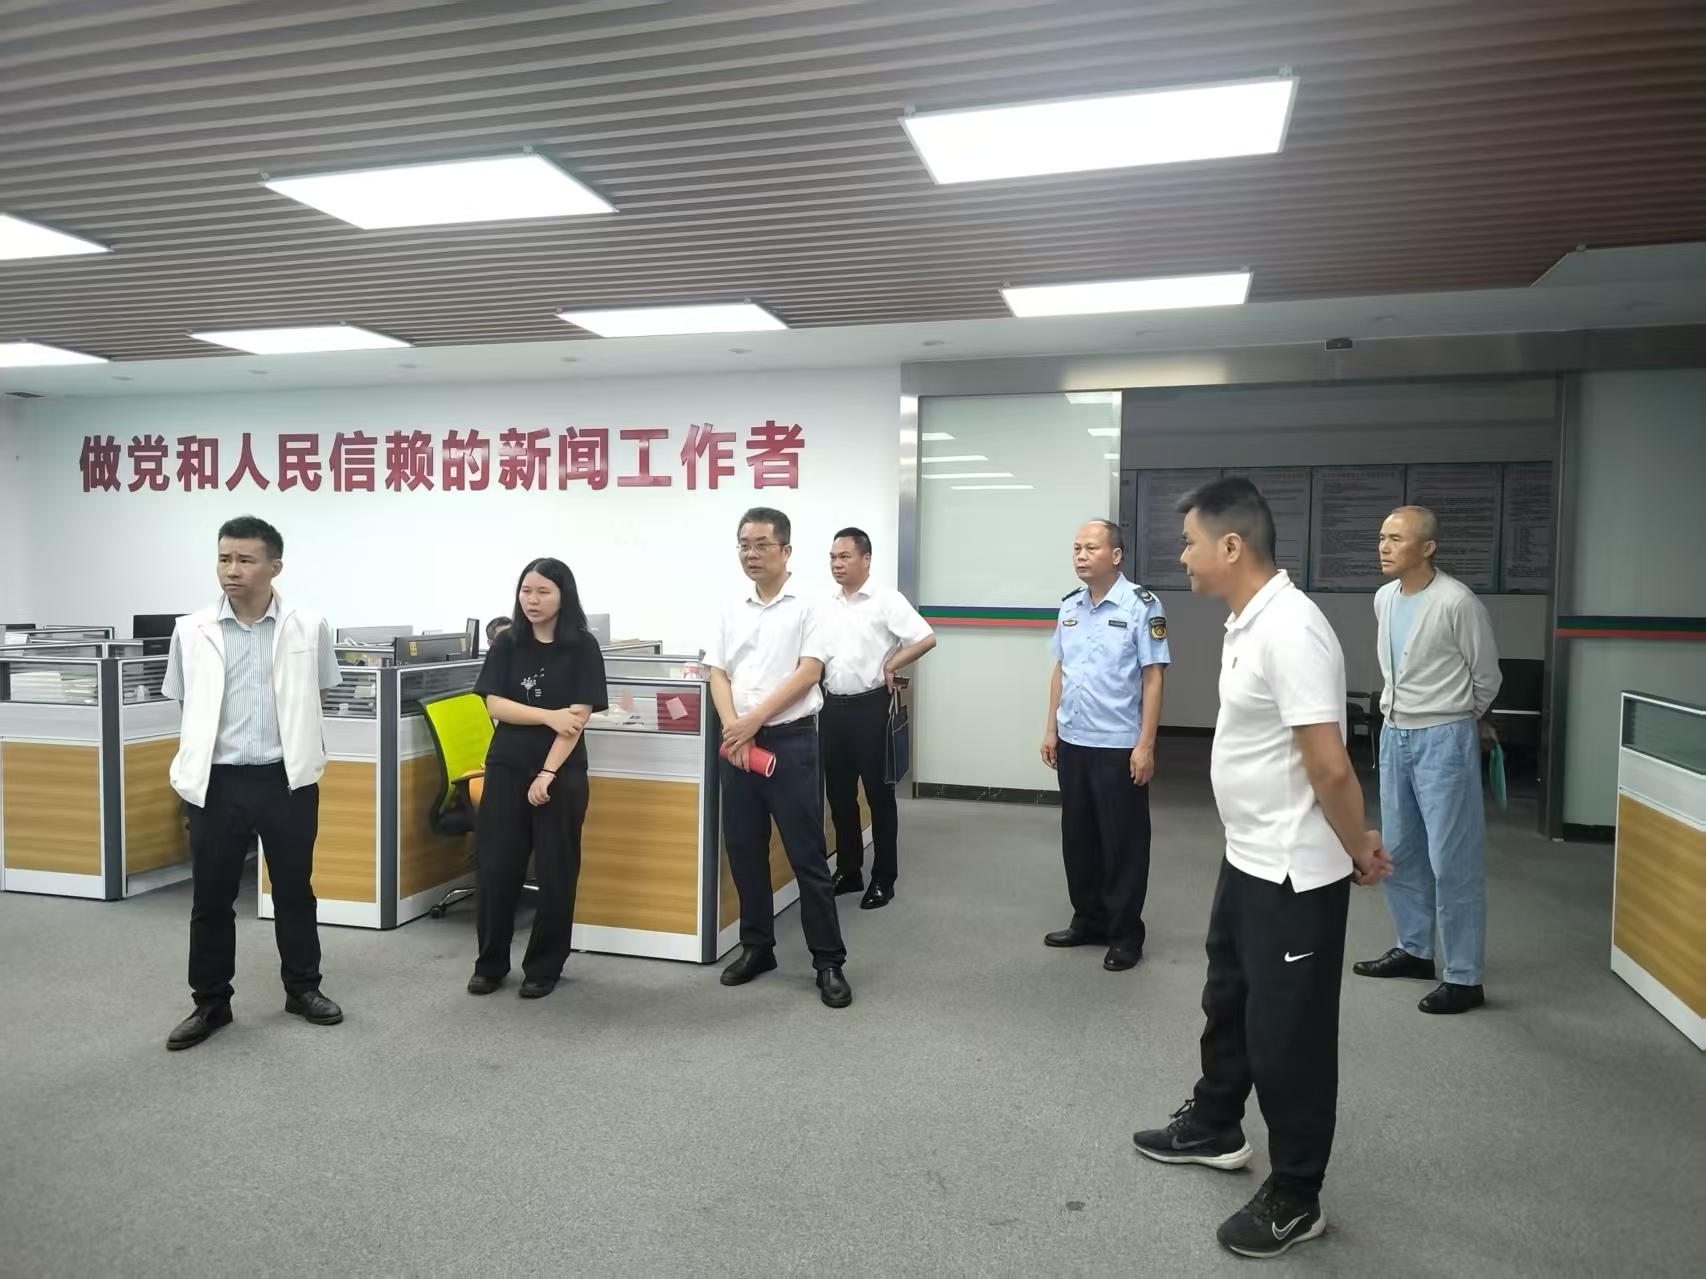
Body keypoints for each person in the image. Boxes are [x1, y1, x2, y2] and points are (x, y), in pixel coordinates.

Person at [1130, 477, 1391, 1260]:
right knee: (1229, 1001)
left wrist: (1359, 848)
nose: (1183, 555)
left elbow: (1330, 766)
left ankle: (1298, 1194)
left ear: (1232, 545)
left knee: (1289, 1038)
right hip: (1247, 855)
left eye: (1190, 542)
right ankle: (1216, 1123)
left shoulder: (1293, 629)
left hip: (1294, 874)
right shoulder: (1248, 620)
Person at [160, 515, 345, 1051]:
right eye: (224, 558)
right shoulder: (190, 629)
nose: (232, 570)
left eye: (245, 559)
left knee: (294, 891)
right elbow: (185, 700)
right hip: (216, 783)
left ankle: (303, 989)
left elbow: (319, 694)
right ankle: (211, 1002)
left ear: (274, 567)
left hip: (286, 780)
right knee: (212, 899)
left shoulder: (309, 626)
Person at [1353, 506, 1502, 1014]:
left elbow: (1487, 676)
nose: (1384, 547)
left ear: (1428, 548)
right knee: (1401, 849)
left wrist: (1460, 718)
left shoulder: (1457, 602)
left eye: (1396, 538)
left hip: (1444, 736)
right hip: (1395, 733)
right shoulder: (1385, 598)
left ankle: (1464, 976)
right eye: (1382, 537)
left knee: (1452, 858)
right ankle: (1415, 949)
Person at [707, 507, 852, 1008]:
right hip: (738, 745)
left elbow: (808, 673)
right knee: (744, 851)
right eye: (744, 544)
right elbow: (717, 672)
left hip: (790, 741)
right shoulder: (732, 608)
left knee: (806, 855)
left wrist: (751, 722)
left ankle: (828, 961)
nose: (751, 554)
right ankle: (757, 948)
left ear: (786, 550)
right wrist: (735, 727)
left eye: (762, 544)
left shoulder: (812, 606)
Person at [467, 558, 607, 999]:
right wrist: (548, 715)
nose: (533, 600)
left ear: (564, 596)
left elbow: (577, 719)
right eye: (526, 590)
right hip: (506, 766)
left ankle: (544, 966)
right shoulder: (507, 643)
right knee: (496, 869)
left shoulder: (582, 646)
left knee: (556, 870)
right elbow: (495, 705)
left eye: (543, 591)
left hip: (561, 772)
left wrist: (547, 772)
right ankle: (490, 964)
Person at [1039, 519, 1169, 972]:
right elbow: (1061, 669)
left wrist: (1146, 745)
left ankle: (1125, 933)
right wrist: (1051, 730)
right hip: (1074, 740)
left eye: (1091, 548)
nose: (1081, 555)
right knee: (1079, 839)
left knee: (1123, 843)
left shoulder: (1142, 606)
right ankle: (1088, 919)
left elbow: (1153, 678)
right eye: (1076, 548)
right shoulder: (1070, 606)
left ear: (1116, 556)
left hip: (1118, 745)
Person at [821, 526, 936, 909]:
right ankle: (849, 870)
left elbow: (925, 637)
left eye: (845, 557)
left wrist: (892, 663)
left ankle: (884, 878)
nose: (837, 564)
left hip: (871, 709)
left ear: (866, 559)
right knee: (839, 796)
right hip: (832, 708)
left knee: (879, 797)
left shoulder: (885, 599)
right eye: (833, 557)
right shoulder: (826, 603)